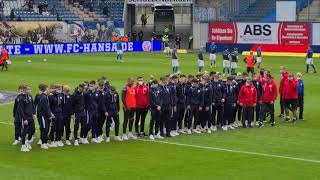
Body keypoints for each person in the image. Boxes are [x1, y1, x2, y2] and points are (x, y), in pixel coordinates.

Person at [37, 84, 53, 149]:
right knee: (44, 129)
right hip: (43, 116)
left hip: (45, 115)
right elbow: (45, 108)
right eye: (47, 88)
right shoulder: (44, 97)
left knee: (46, 129)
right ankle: (43, 143)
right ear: (46, 89)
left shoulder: (44, 96)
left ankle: (45, 142)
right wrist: (50, 114)